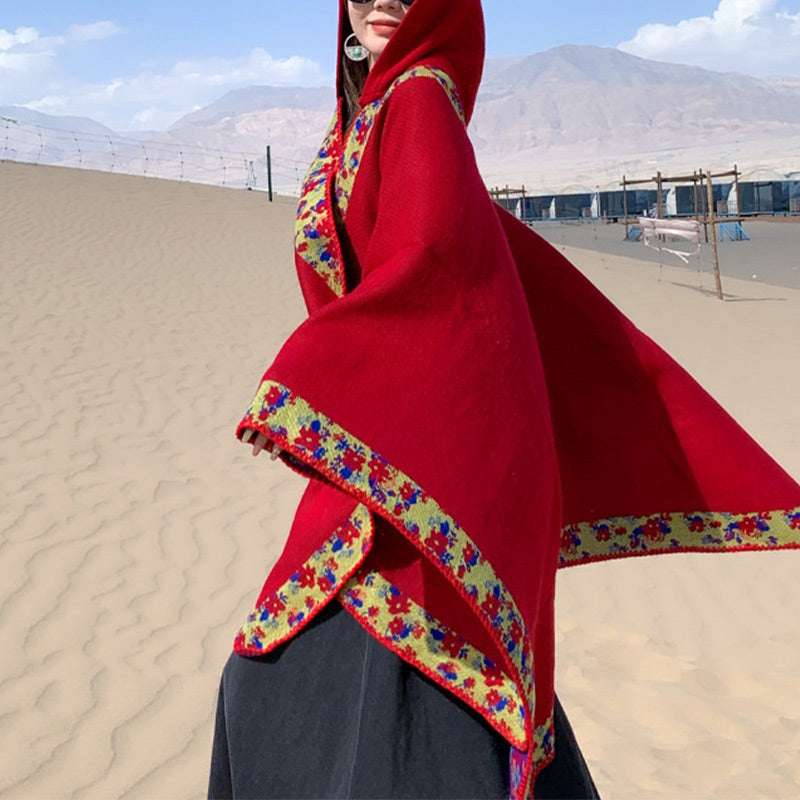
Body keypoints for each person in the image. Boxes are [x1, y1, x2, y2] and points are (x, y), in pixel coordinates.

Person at [208, 1, 800, 798]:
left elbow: (435, 267)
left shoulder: (416, 99)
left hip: (400, 464)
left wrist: (306, 373)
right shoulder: (379, 107)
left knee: (322, 702)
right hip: (387, 457)